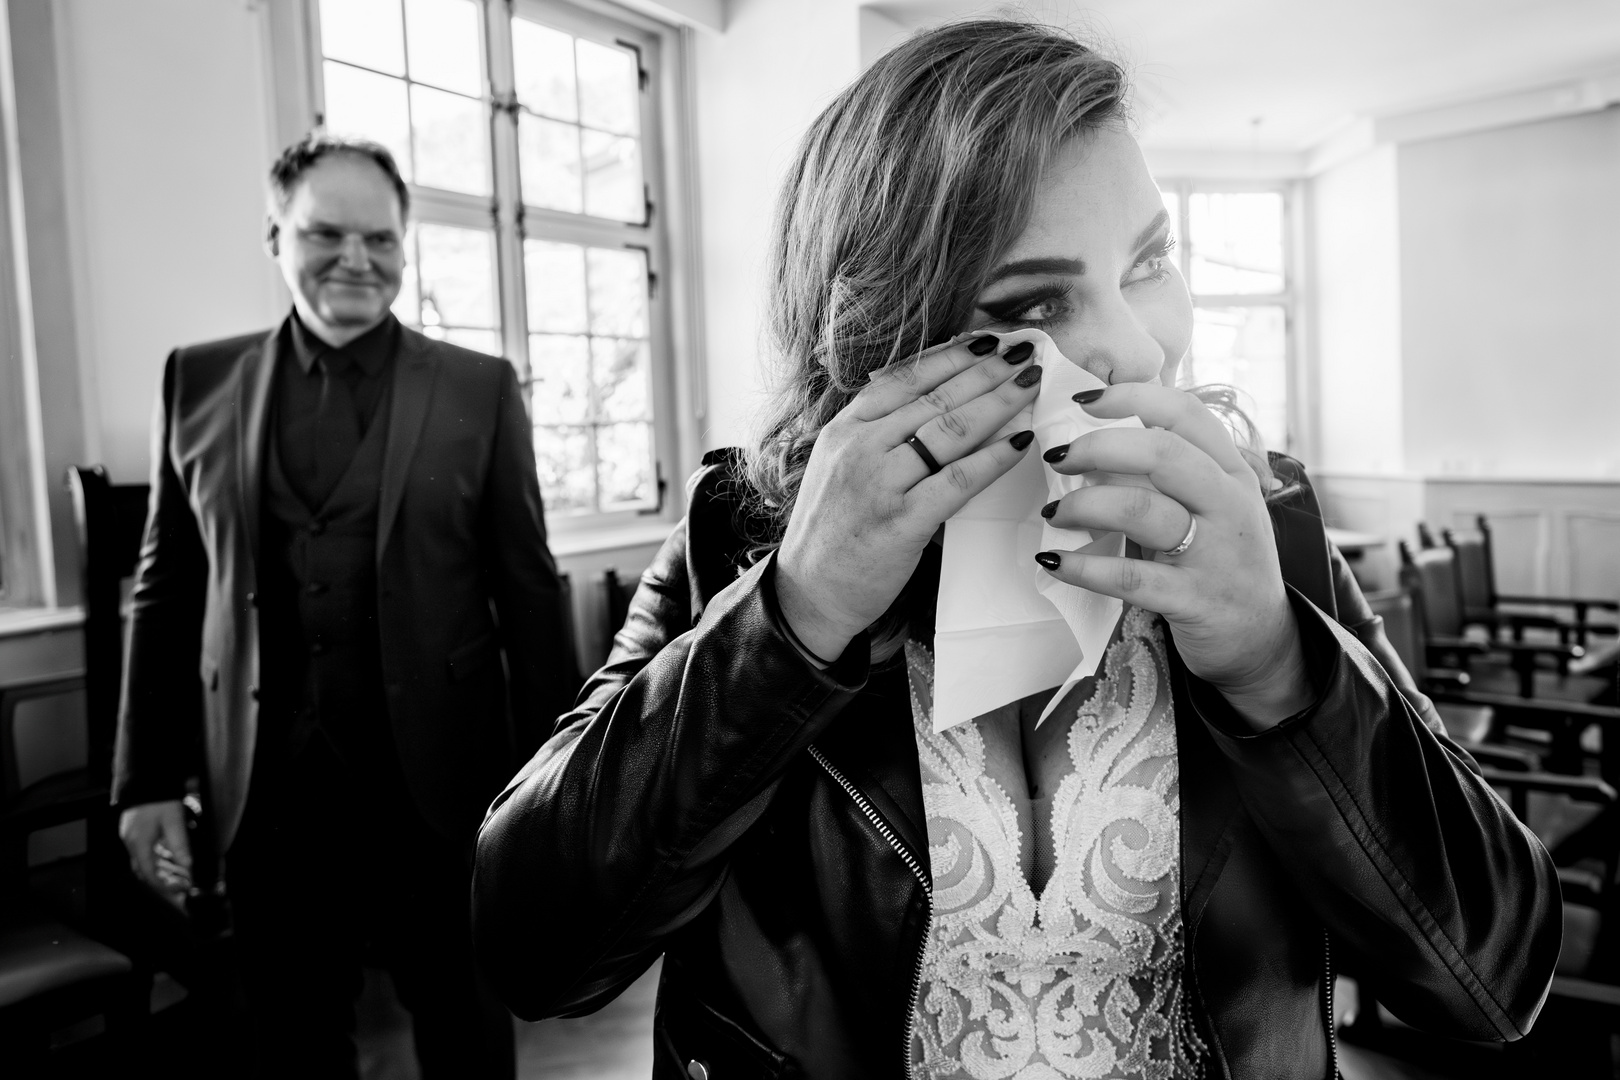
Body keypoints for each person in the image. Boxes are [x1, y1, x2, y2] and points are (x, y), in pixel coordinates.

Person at [472, 21, 1559, 1080]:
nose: (1138, 346)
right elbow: (537, 950)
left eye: (1149, 260)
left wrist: (1281, 664)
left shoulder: (1263, 526)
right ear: (883, 340)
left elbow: (1494, 983)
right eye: (1036, 302)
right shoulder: (737, 539)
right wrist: (790, 619)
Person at [114, 132, 574, 1078]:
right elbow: (164, 591)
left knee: (466, 1032)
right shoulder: (194, 381)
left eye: (382, 240)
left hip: (444, 789)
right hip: (266, 796)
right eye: (326, 234)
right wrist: (145, 780)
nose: (357, 261)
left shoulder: (479, 388)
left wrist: (563, 785)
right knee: (292, 1038)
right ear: (275, 235)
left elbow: (528, 593)